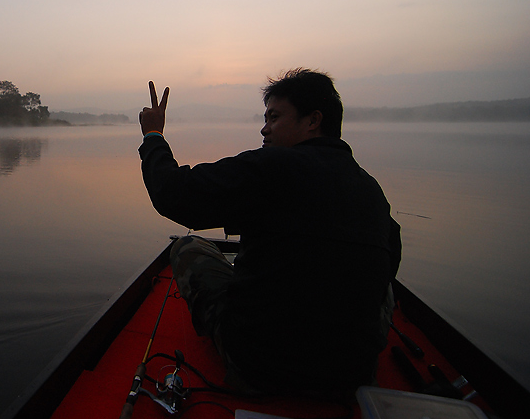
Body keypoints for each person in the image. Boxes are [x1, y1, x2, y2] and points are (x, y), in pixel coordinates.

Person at [138, 69, 401, 396]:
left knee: (186, 248)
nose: (264, 128)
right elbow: (390, 267)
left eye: (274, 117)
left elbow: (173, 194)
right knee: (385, 289)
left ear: (312, 120)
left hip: (260, 365)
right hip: (352, 373)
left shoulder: (271, 166)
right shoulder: (372, 191)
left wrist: (153, 135)